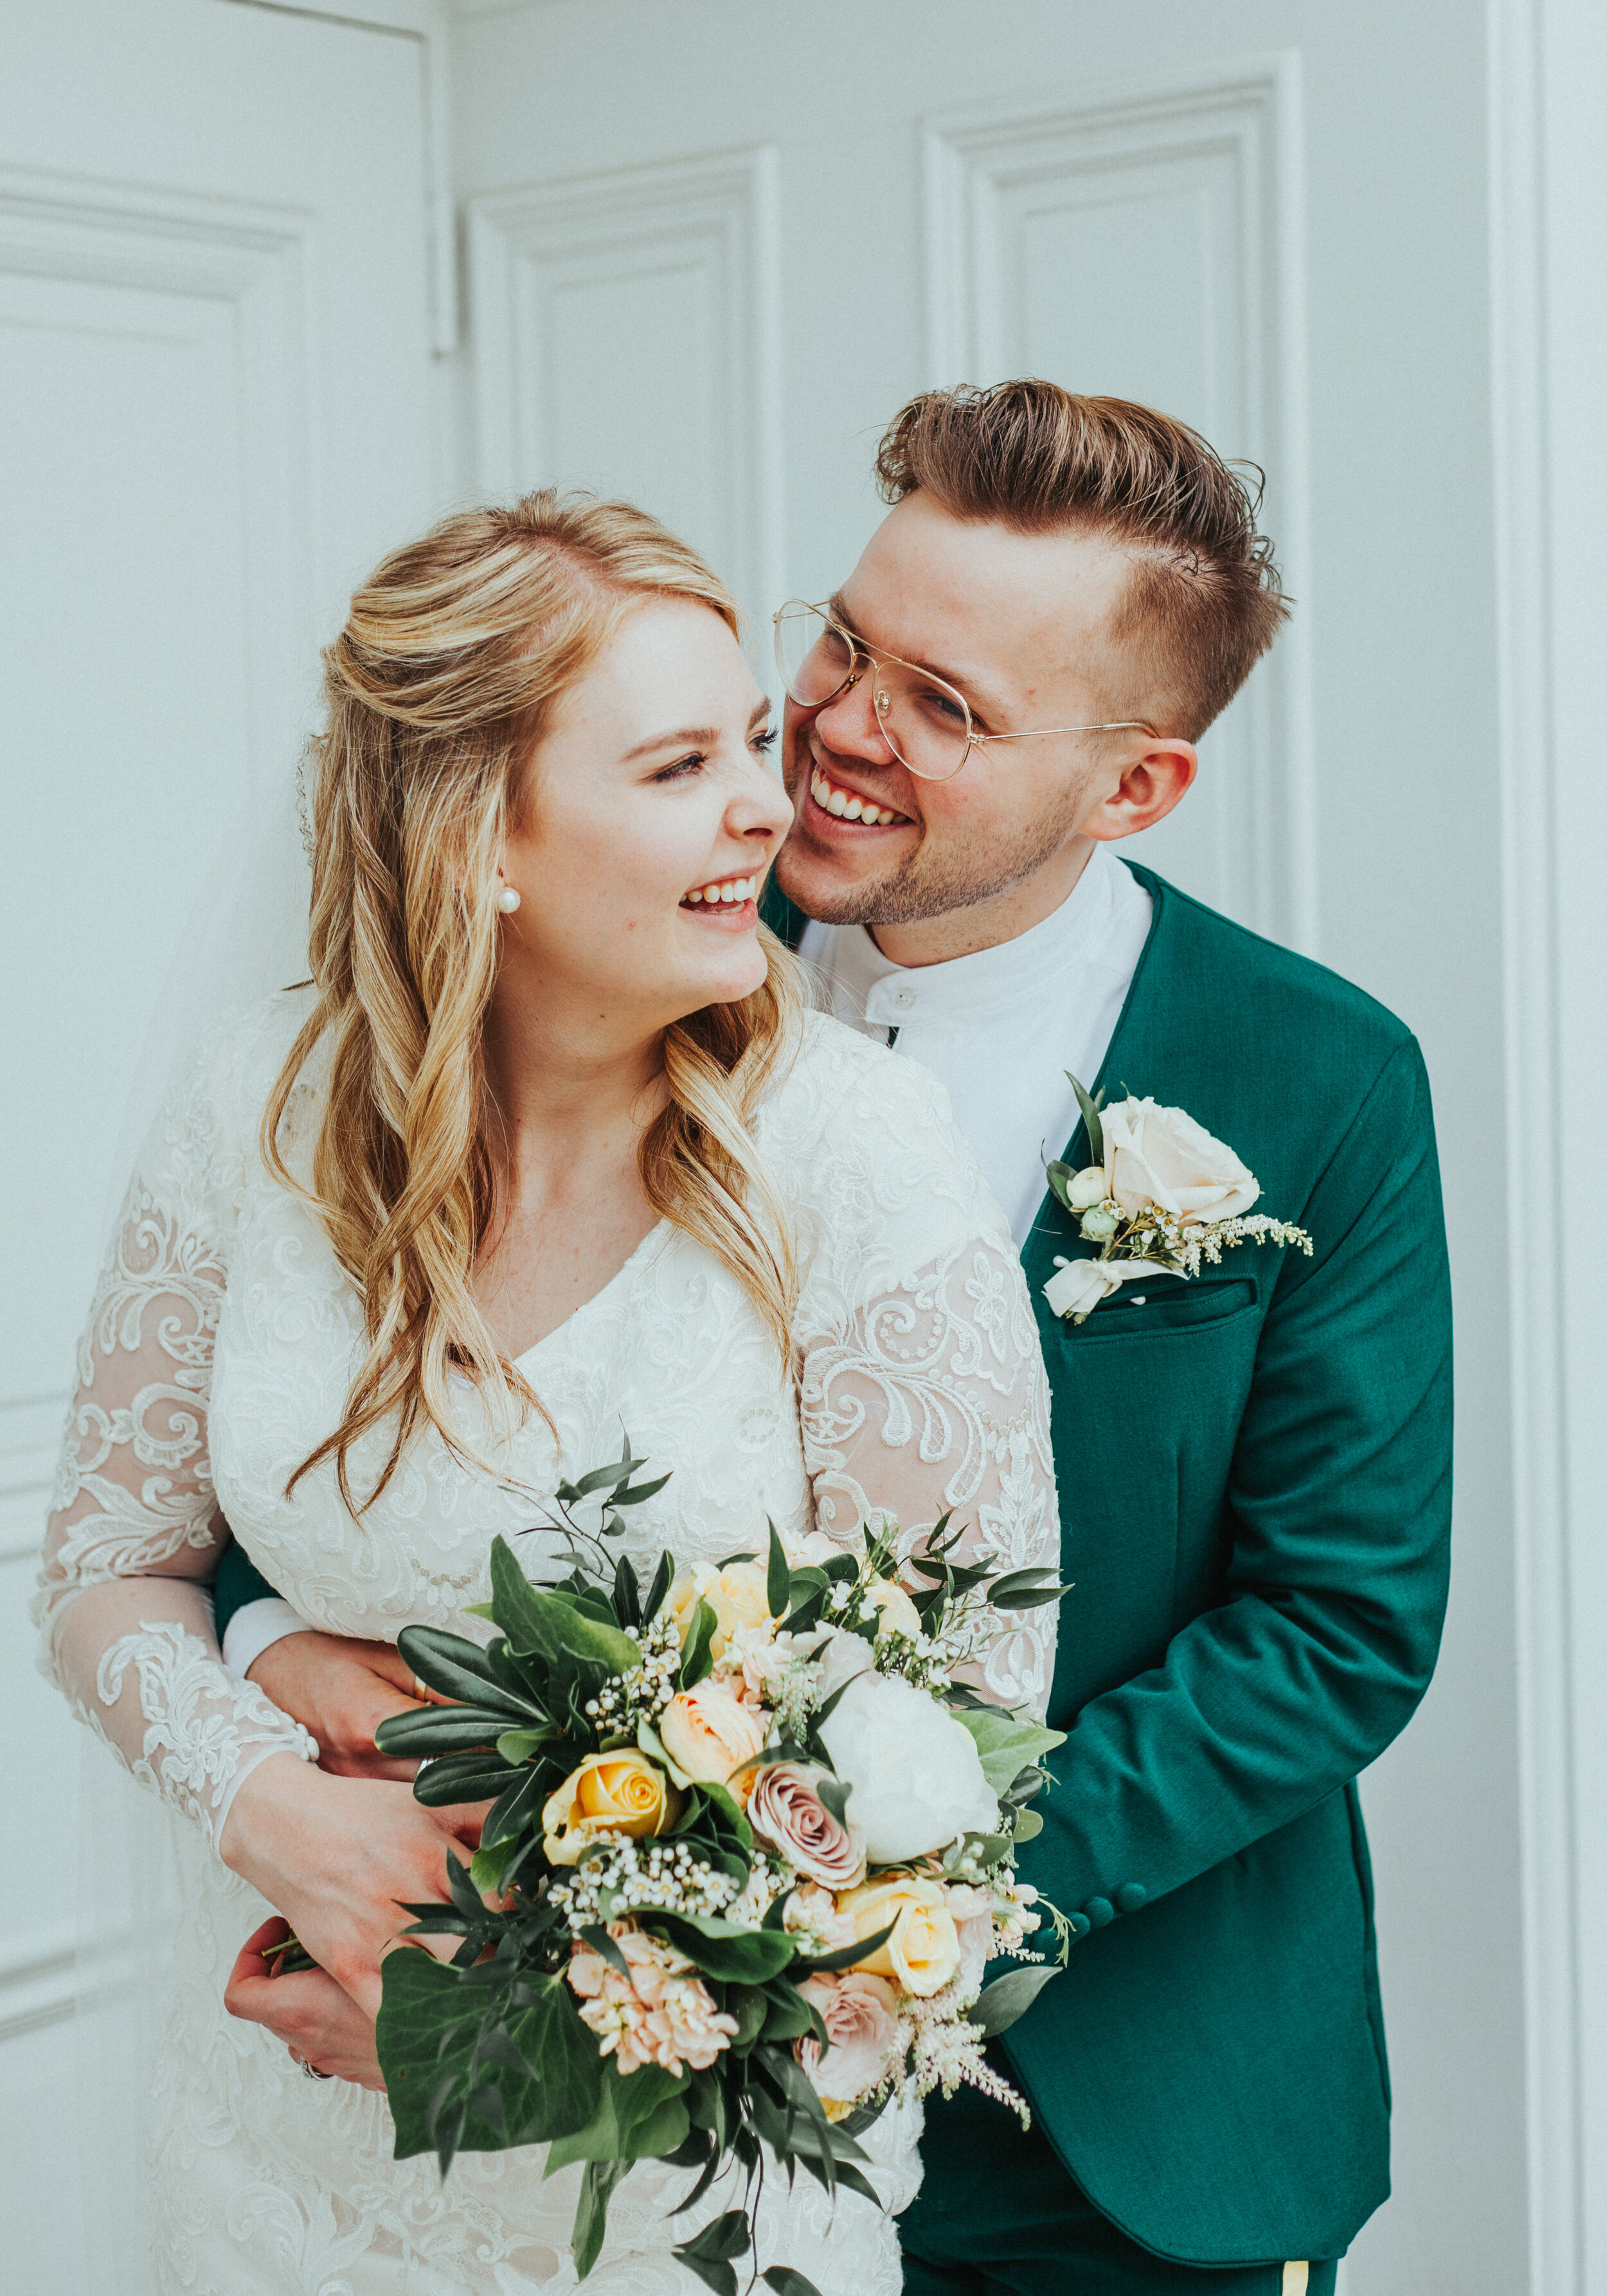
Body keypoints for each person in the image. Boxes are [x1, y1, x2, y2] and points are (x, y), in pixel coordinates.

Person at [217, 382, 1454, 2293]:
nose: (839, 729)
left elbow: (1333, 1626)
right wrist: (277, 1651)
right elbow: (320, 1403)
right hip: (624, 2141)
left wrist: (840, 1931)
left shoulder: (1317, 1075)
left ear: (1133, 789)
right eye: (845, 644)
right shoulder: (590, 958)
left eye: (945, 706)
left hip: (1122, 2117)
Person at [35, 490, 1058, 2295]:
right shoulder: (253, 1106)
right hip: (274, 2148)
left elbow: (950, 1776)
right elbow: (108, 1568)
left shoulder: (853, 1156)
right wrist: (271, 1803)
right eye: (678, 765)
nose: (768, 805)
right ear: (475, 833)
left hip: (668, 2200)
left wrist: (515, 2047)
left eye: (747, 739)